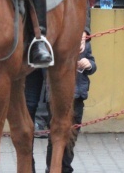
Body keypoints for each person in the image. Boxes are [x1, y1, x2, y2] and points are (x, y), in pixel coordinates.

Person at [23, 0, 93, 172]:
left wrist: (82, 33)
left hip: (72, 34)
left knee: (68, 105)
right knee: (28, 106)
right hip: (30, 41)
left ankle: (61, 168)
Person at [45, 39, 97, 173]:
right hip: (57, 98)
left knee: (71, 137)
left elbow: (93, 64)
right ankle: (51, 167)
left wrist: (89, 64)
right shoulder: (56, 40)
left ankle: (66, 168)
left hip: (77, 97)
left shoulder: (83, 42)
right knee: (55, 136)